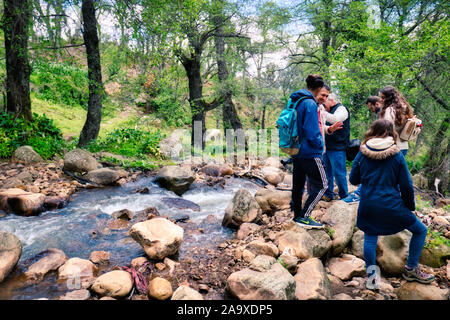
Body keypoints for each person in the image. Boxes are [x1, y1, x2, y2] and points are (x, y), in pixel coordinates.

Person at [349, 119, 434, 289]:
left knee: (370, 237)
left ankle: (372, 279)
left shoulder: (362, 152)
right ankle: (410, 269)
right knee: (420, 230)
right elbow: (407, 186)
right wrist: (410, 207)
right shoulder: (396, 155)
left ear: (372, 131)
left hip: (368, 205)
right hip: (392, 206)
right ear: (392, 133)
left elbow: (353, 179)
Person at [289, 74, 328, 228]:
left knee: (298, 184)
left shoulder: (296, 101)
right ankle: (304, 217)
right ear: (319, 89)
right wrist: (319, 146)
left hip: (296, 149)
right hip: (309, 151)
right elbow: (311, 131)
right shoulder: (310, 104)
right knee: (323, 184)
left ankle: (297, 214)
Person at [342, 95, 382, 204]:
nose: (371, 110)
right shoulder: (386, 111)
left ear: (376, 104)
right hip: (388, 146)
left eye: (371, 107)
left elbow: (382, 131)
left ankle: (359, 194)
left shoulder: (384, 112)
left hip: (384, 147)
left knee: (371, 169)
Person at [321, 93, 350, 201]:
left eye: (324, 102)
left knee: (339, 174)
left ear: (331, 100)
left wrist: (321, 112)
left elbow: (336, 119)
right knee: (326, 173)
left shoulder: (341, 109)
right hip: (326, 147)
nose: (323, 105)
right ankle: (329, 194)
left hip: (338, 147)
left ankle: (344, 196)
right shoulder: (328, 111)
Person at [379, 85, 413, 157]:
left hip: (392, 148)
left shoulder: (389, 111)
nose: (380, 100)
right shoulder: (404, 108)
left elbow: (387, 130)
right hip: (403, 146)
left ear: (389, 98)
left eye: (383, 97)